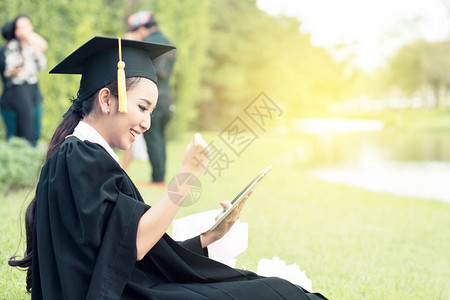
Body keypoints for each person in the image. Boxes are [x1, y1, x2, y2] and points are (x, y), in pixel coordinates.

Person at [8, 36, 327, 299]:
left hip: (118, 288)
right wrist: (186, 176)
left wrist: (209, 236)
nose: (147, 122)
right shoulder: (82, 158)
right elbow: (134, 246)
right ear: (107, 100)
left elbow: (120, 252)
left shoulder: (79, 155)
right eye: (142, 107)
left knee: (267, 289)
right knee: (274, 293)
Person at [125, 11, 176, 187]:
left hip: (154, 99)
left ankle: (157, 180)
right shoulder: (168, 42)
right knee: (160, 139)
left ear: (142, 28)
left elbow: (152, 71)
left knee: (153, 139)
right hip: (167, 99)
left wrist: (130, 45)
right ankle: (159, 177)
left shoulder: (150, 43)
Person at [2, 15, 47, 145]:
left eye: (26, 26)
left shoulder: (32, 45)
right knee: (24, 131)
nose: (24, 30)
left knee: (35, 126)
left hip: (33, 89)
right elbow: (8, 72)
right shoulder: (11, 47)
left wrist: (32, 39)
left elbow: (42, 64)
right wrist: (15, 71)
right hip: (18, 90)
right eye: (20, 27)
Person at [0, 21, 14, 139]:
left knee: (11, 135)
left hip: (7, 99)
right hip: (11, 100)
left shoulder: (2, 50)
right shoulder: (8, 51)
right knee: (13, 136)